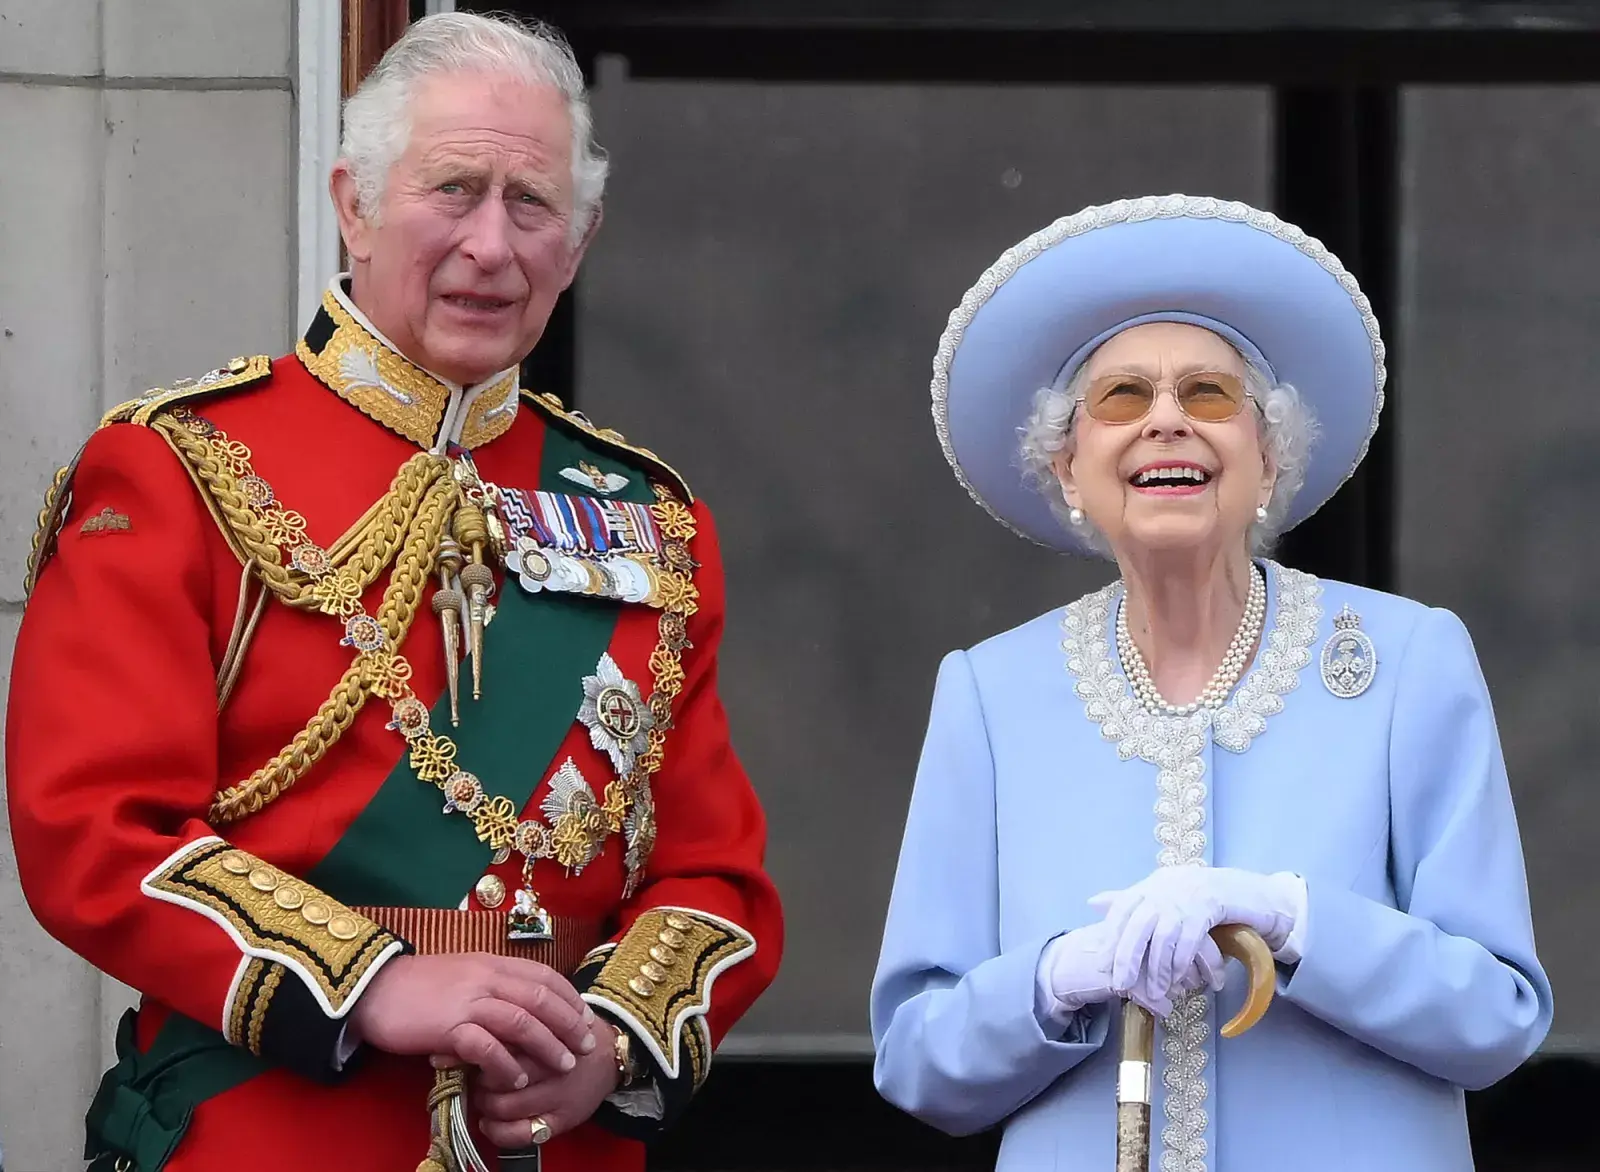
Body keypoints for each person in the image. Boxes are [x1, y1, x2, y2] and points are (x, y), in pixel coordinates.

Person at [6, 12, 781, 1171]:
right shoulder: (179, 468)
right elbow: (95, 829)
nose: (490, 245)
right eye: (453, 189)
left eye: (532, 204)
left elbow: (714, 876)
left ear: (578, 242)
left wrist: (610, 1042)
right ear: (353, 204)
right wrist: (372, 983)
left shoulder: (651, 519)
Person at [869, 194, 1553, 1170]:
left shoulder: (1407, 660)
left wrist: (1294, 919)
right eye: (1120, 398)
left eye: (1209, 394)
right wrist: (1056, 978)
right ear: (1068, 470)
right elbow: (916, 1061)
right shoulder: (989, 694)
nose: (1166, 422)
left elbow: (1497, 1015)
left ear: (1267, 458)